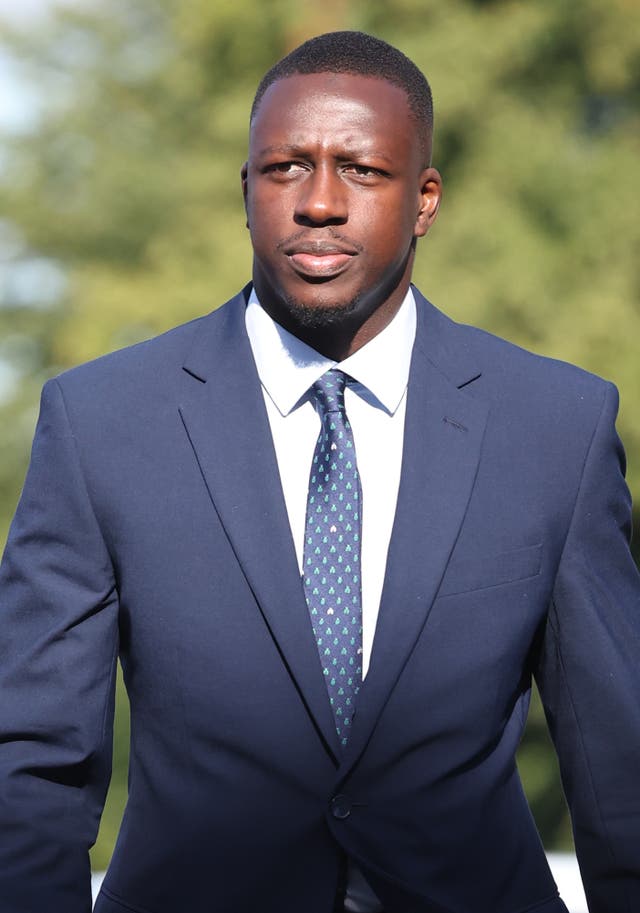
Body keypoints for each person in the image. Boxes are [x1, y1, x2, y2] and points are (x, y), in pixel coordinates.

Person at [0, 29, 638, 913]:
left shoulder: (555, 427)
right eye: (286, 168)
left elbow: (620, 771)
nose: (320, 203)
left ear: (425, 199)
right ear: (247, 191)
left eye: (363, 171)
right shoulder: (103, 423)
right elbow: (30, 763)